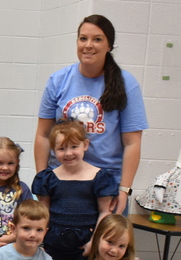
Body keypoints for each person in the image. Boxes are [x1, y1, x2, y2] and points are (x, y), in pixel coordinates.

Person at [34, 14, 148, 214]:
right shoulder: (58, 80)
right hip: (62, 179)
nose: (88, 45)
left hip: (106, 183)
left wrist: (124, 190)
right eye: (83, 38)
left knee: (105, 244)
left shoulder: (126, 83)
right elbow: (43, 135)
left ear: (109, 46)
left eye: (97, 39)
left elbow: (132, 143)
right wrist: (43, 182)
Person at [32, 120, 115, 260]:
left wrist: (95, 242)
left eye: (74, 146)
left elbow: (104, 212)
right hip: (54, 243)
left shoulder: (100, 177)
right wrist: (41, 241)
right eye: (61, 148)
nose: (68, 153)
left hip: (86, 243)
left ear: (86, 144)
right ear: (53, 150)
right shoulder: (48, 177)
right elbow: (43, 212)